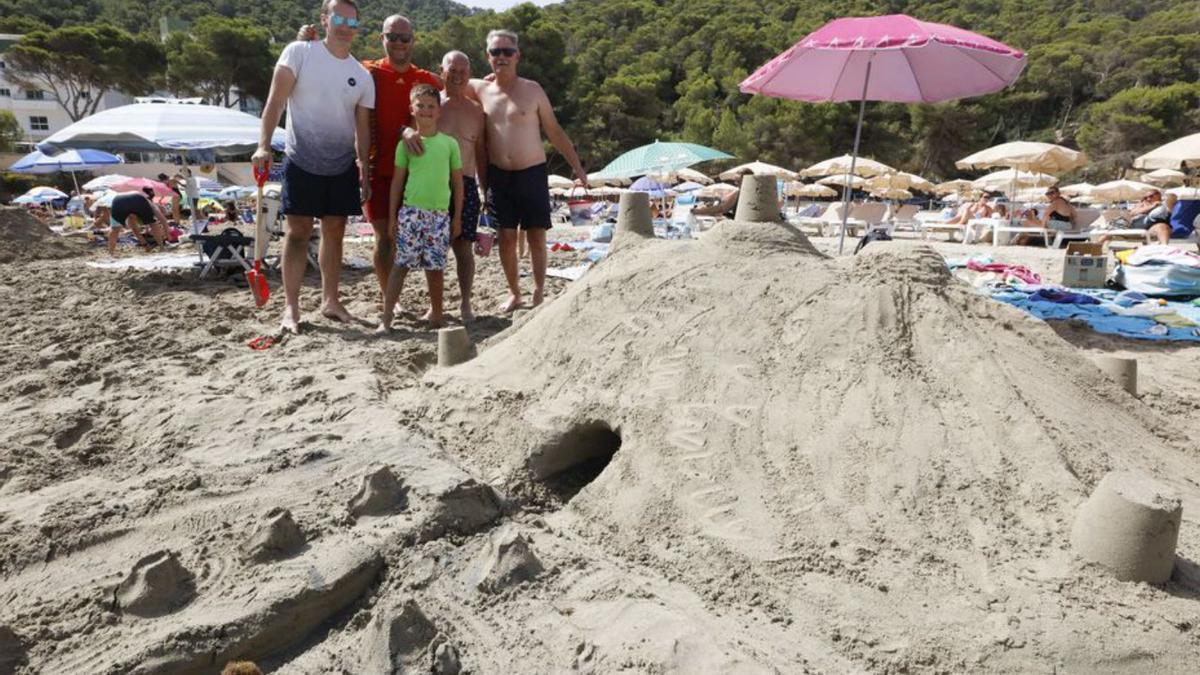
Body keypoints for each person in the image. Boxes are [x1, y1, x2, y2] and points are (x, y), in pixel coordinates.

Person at [297, 14, 442, 307]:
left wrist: (490, 81)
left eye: (405, 38)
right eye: (393, 37)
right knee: (384, 237)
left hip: (414, 172)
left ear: (414, 40)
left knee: (422, 237)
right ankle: (390, 298)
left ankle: (430, 303)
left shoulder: (425, 79)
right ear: (382, 39)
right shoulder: (367, 71)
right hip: (376, 170)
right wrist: (307, 44)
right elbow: (330, 65)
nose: (399, 43)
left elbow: (457, 86)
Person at [253, 0, 375, 334]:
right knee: (297, 233)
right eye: (338, 18)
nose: (345, 26)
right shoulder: (299, 52)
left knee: (336, 232)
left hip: (341, 166)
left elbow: (363, 129)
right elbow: (275, 102)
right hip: (301, 158)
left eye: (352, 21)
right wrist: (263, 144)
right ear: (324, 20)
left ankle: (330, 300)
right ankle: (291, 307)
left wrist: (364, 167)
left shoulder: (361, 75)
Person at [466, 29, 587, 313]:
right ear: (488, 56)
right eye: (496, 52)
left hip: (531, 172)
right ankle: (514, 292)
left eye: (508, 52)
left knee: (536, 236)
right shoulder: (479, 89)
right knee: (506, 237)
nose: (502, 57)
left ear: (518, 55)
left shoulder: (532, 89)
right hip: (499, 175)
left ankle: (539, 291)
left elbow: (554, 131)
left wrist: (577, 166)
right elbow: (448, 81)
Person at [378, 84, 463, 332]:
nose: (426, 111)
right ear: (411, 109)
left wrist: (456, 217)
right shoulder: (405, 145)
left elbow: (458, 184)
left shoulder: (450, 144)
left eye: (431, 106)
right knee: (400, 265)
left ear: (439, 111)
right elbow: (397, 182)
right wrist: (393, 216)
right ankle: (386, 319)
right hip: (411, 213)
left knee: (435, 268)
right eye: (421, 106)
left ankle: (436, 316)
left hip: (439, 215)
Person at [437, 50, 487, 322]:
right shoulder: (432, 105)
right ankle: (436, 304)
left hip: (466, 185)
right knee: (436, 248)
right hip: (436, 183)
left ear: (469, 74)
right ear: (441, 71)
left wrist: (484, 188)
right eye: (452, 70)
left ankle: (466, 303)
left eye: (462, 71)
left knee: (463, 248)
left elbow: (480, 153)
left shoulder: (476, 111)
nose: (456, 76)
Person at [107, 189, 170, 255]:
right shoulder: (149, 203)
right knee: (152, 223)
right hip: (137, 199)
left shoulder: (131, 216)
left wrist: (145, 244)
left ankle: (111, 253)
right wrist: (168, 236)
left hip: (118, 200)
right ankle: (162, 247)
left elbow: (134, 229)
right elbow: (163, 220)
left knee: (115, 229)